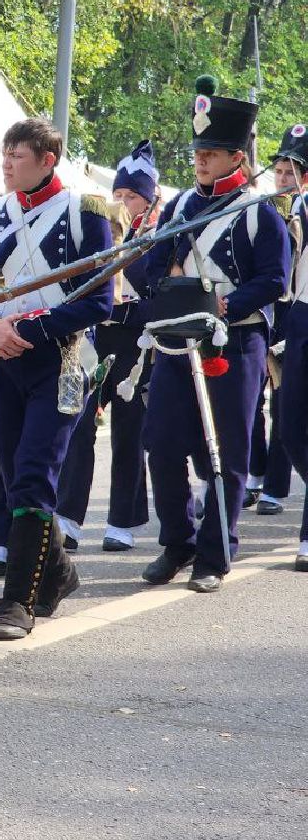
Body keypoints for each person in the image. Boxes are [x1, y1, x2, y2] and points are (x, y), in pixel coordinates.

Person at [129, 77, 289, 591]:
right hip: (178, 341)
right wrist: (164, 282)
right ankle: (178, 540)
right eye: (198, 150)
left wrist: (226, 303)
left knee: (228, 451)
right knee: (162, 444)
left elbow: (274, 279)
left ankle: (215, 554)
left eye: (213, 152)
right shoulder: (176, 208)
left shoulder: (258, 212)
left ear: (237, 158)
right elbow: (148, 267)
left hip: (235, 342)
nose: (201, 160)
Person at [0, 116, 113, 639]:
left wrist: (29, 324)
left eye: (18, 156)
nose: (7, 164)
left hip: (60, 359)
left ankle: (16, 601)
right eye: (5, 154)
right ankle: (57, 571)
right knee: (12, 479)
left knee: (34, 475)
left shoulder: (84, 214)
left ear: (47, 160)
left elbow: (100, 301)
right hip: (3, 358)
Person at [55, 140, 161, 552]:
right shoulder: (99, 232)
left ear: (149, 202)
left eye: (131, 196)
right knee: (78, 424)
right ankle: (68, 516)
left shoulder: (159, 238)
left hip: (137, 339)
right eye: (117, 195)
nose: (122, 202)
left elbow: (160, 291)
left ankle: (123, 520)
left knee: (129, 432)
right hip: (96, 338)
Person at [266, 123, 308, 571]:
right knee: (289, 425)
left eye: (296, 169)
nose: (289, 176)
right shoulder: (280, 212)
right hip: (297, 319)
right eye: (285, 168)